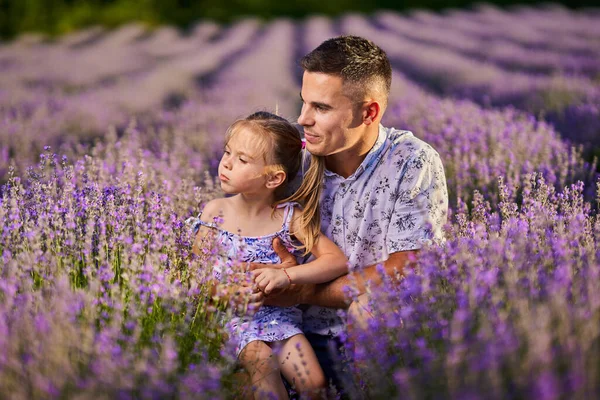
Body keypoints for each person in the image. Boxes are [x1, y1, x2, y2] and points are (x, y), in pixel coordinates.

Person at [253, 35, 449, 390]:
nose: (303, 119)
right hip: (292, 329)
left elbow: (407, 266)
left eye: (321, 108)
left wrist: (305, 292)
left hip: (370, 334)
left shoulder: (411, 160)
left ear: (369, 112)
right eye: (304, 104)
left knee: (369, 310)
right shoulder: (293, 160)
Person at [190, 111, 349, 399]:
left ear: (274, 178)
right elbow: (195, 276)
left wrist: (286, 275)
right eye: (228, 152)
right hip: (230, 317)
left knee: (313, 383)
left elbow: (336, 260)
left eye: (242, 160)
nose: (226, 163)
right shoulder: (216, 212)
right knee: (262, 363)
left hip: (281, 317)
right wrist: (226, 292)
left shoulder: (290, 217)